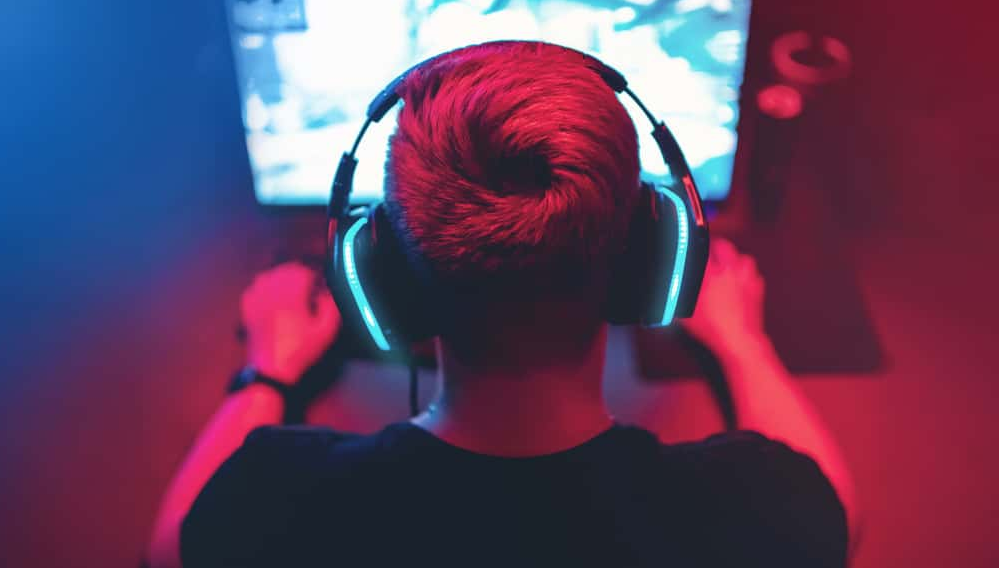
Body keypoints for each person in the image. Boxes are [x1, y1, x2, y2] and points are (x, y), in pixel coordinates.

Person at [147, 42, 859, 568]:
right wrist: (743, 345)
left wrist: (267, 374)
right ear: (653, 258)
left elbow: (170, 541)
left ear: (381, 273)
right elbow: (838, 517)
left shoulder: (282, 500)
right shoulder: (746, 511)